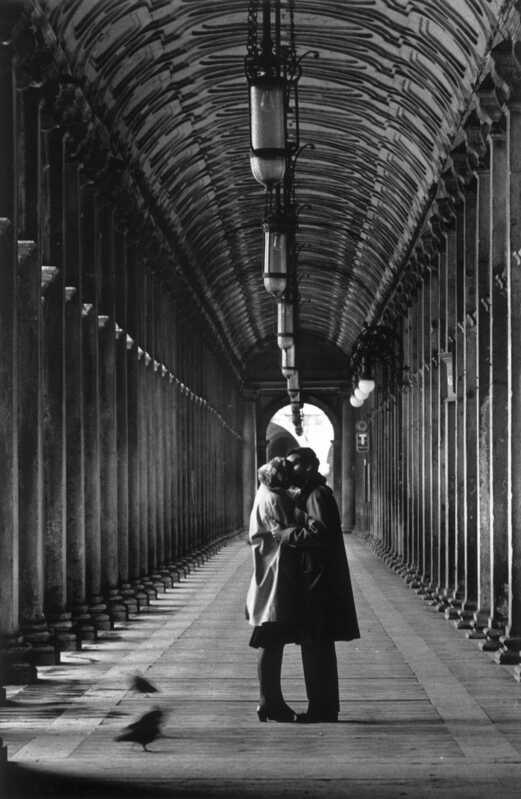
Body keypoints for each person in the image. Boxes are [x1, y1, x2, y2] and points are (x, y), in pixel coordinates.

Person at [278, 446, 360, 723]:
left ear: (309, 467)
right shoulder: (314, 493)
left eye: (293, 464)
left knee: (315, 645)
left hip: (318, 580)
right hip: (318, 576)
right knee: (317, 646)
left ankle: (321, 709)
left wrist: (286, 535)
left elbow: (319, 533)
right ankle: (324, 707)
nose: (288, 470)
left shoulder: (316, 495)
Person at [245, 457, 300, 722]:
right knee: (271, 641)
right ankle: (269, 701)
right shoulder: (274, 499)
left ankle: (269, 700)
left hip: (268, 571)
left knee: (270, 640)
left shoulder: (264, 492)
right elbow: (287, 532)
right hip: (275, 572)